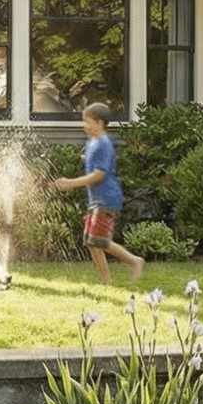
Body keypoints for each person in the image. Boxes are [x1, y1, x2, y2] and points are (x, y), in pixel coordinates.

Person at [55, 102, 144, 284]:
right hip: (96, 199)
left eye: (88, 122)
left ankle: (134, 261)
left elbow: (99, 175)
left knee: (98, 240)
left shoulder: (104, 144)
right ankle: (105, 281)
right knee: (91, 241)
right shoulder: (91, 143)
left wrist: (70, 183)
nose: (84, 126)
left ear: (100, 122)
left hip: (107, 197)